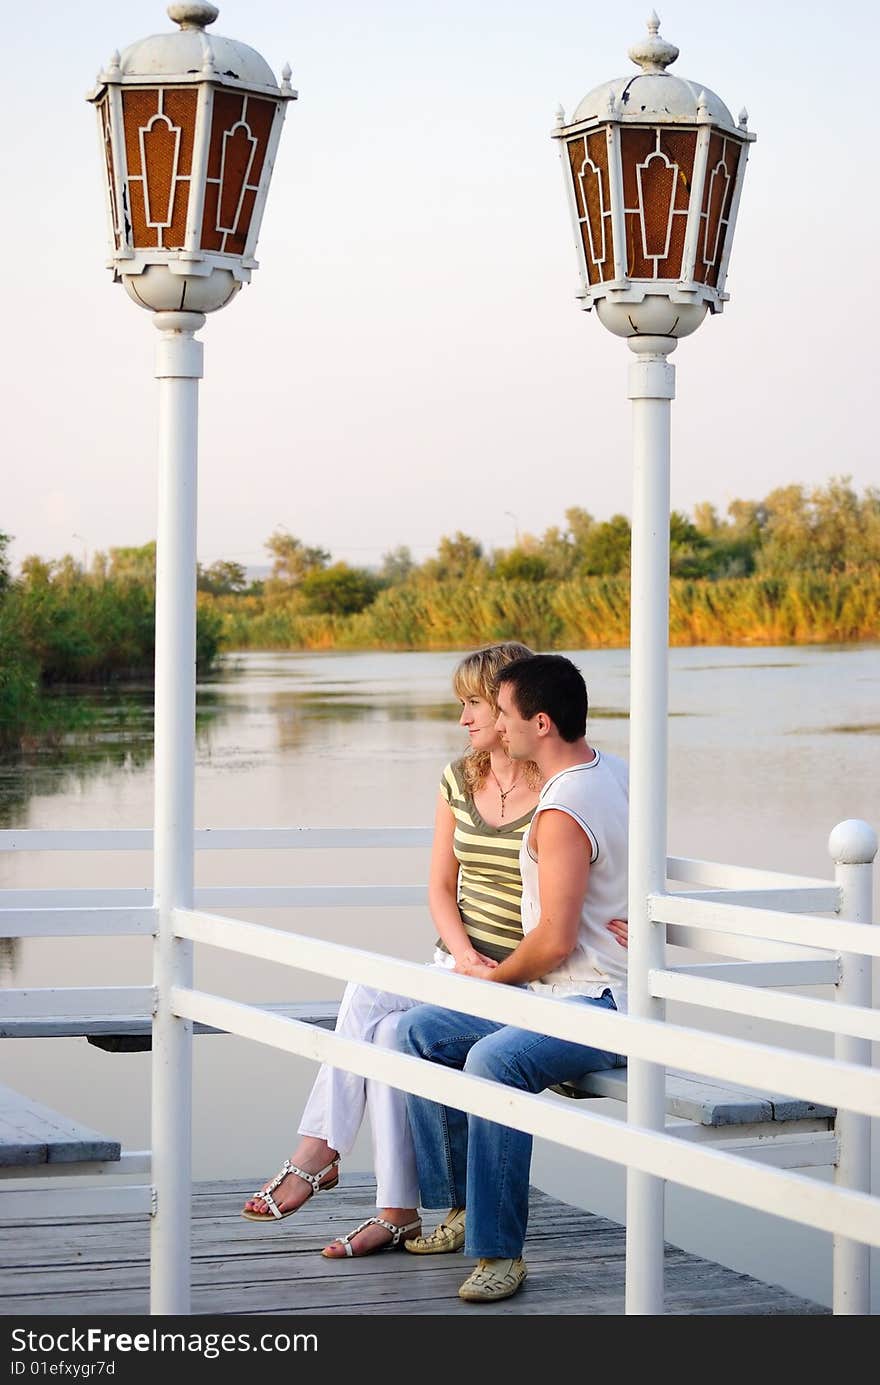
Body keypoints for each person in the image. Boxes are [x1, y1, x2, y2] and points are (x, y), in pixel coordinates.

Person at [240, 641, 543, 1255]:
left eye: (473, 704)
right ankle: (396, 1210)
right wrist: (461, 955)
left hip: (524, 979)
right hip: (458, 965)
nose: (462, 719)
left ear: (512, 706)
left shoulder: (559, 784)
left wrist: (494, 969)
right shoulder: (460, 779)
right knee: (380, 1027)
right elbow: (438, 887)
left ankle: (321, 1154)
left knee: (370, 1001)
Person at [396, 653, 628, 1303]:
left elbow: (554, 940)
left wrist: (492, 983)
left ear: (541, 724)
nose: (494, 722)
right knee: (417, 1032)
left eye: (503, 712)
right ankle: (459, 1207)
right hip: (551, 991)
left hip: (598, 1001)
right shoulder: (610, 772)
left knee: (495, 1061)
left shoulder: (563, 808)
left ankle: (501, 1253)